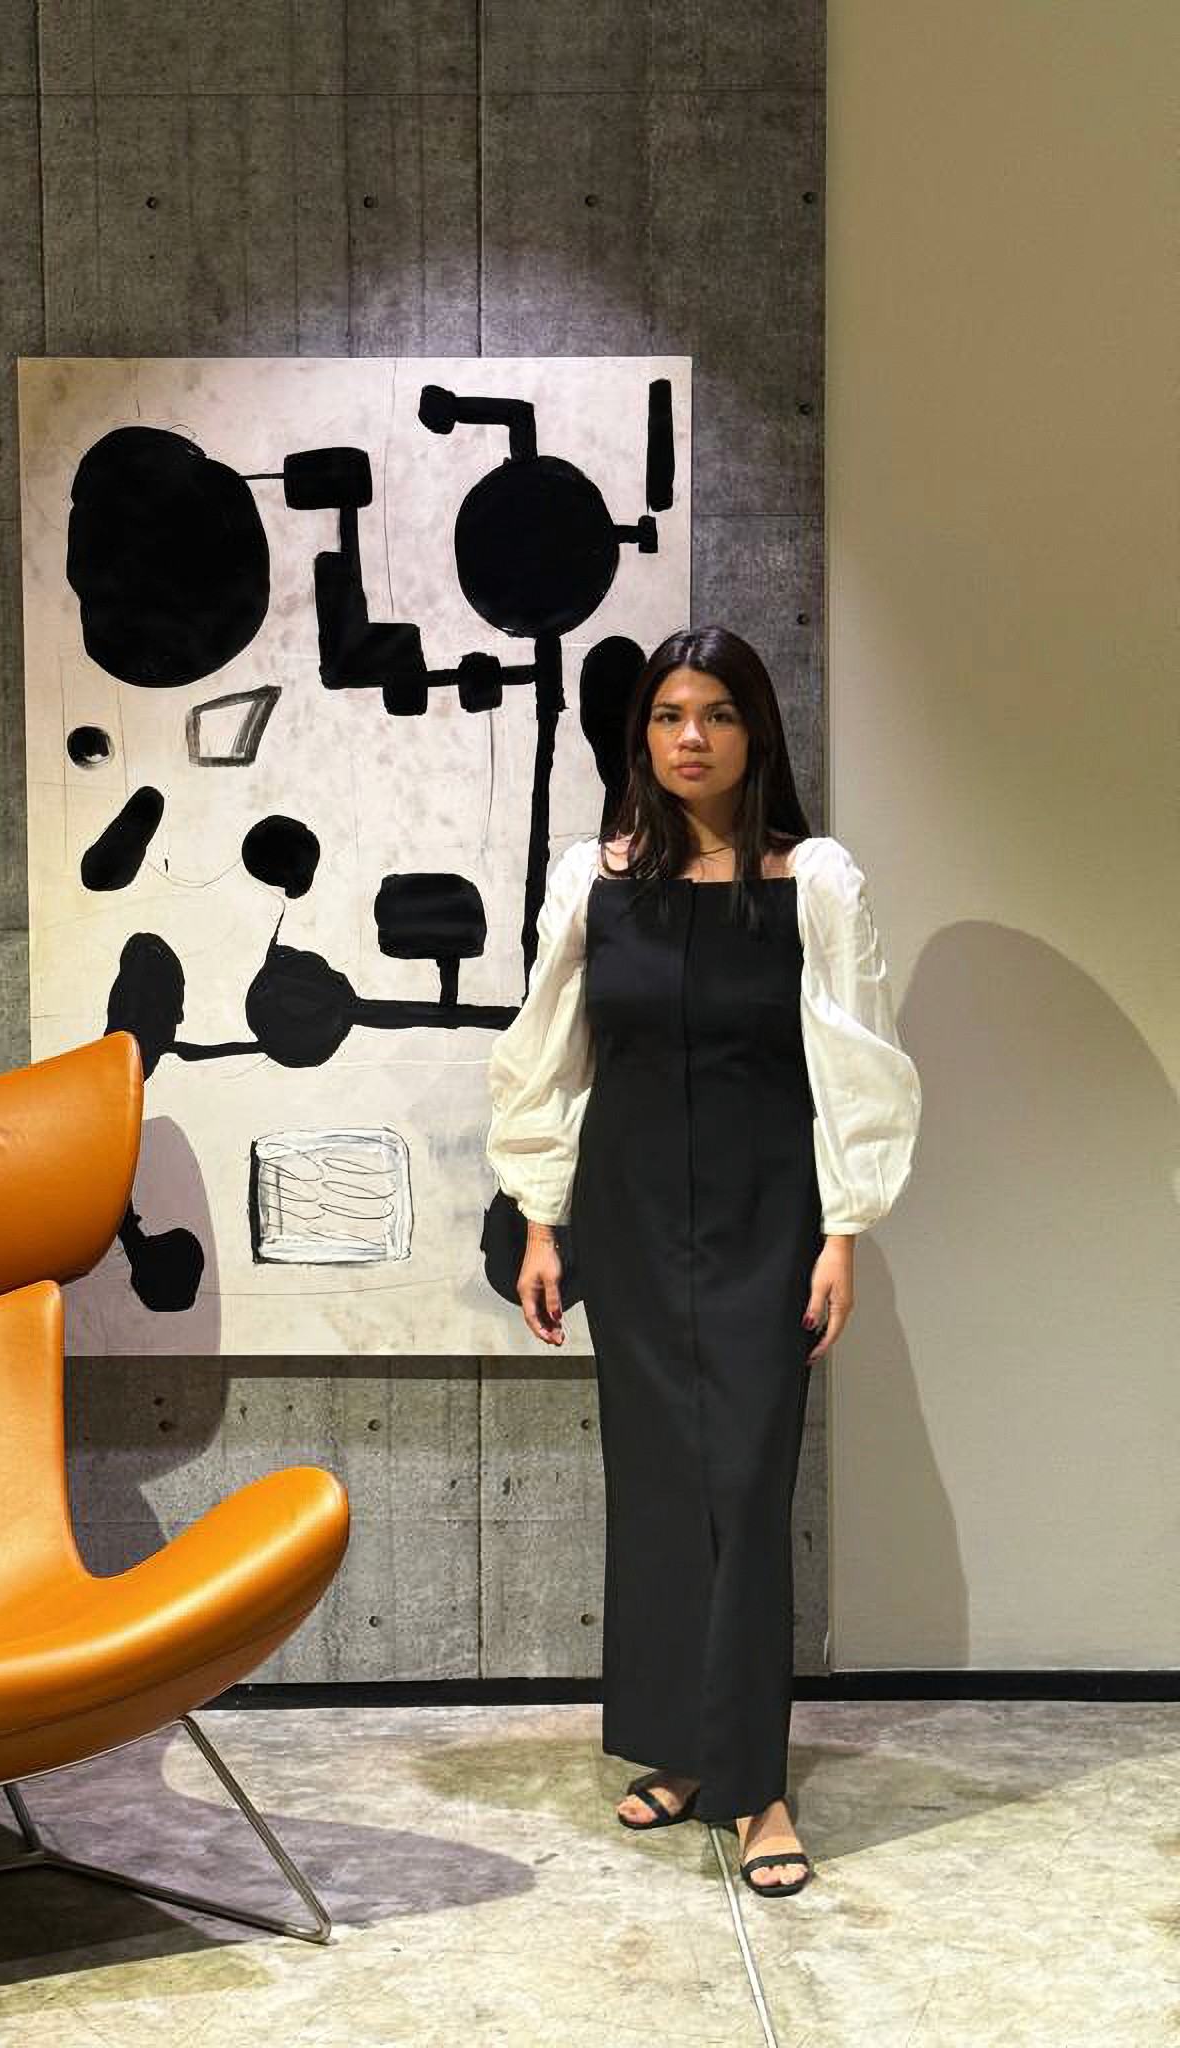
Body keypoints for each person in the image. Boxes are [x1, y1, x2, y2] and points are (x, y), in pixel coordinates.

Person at [485, 625, 921, 1899]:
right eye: (670, 713)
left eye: (718, 713)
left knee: (745, 1482)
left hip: (765, 1217)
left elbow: (858, 1063)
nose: (692, 736)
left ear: (755, 731)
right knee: (660, 1484)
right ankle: (682, 1747)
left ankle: (755, 1782)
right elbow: (547, 1054)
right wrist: (542, 1220)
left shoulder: (809, 880)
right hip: (625, 1216)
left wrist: (844, 1231)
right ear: (643, 735)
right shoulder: (596, 878)